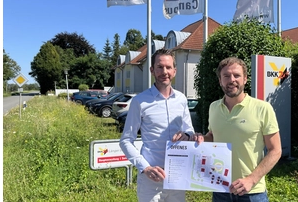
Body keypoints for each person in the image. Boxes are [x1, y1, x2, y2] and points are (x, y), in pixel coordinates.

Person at [193, 57, 282, 202]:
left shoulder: (263, 108)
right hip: (220, 189)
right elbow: (213, 135)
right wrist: (203, 138)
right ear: (220, 81)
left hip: (252, 192)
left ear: (245, 79)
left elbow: (276, 150)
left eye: (237, 75)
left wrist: (251, 180)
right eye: (226, 76)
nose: (231, 80)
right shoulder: (213, 107)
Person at [119, 48, 195, 202]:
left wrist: (187, 135)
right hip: (151, 178)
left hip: (177, 175)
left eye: (168, 67)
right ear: (152, 70)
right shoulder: (140, 101)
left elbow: (189, 131)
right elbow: (126, 140)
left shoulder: (181, 99)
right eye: (160, 67)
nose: (164, 71)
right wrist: (145, 168)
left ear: (175, 71)